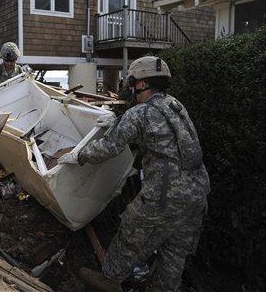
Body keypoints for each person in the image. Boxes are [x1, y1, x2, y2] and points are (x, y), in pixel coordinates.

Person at [58, 56, 210, 292]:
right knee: (175, 251)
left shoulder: (139, 113)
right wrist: (119, 121)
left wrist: (78, 156)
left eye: (132, 82)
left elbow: (107, 149)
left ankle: (110, 279)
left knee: (131, 230)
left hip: (165, 194)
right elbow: (164, 136)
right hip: (198, 192)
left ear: (142, 84)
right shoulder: (175, 105)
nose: (130, 87)